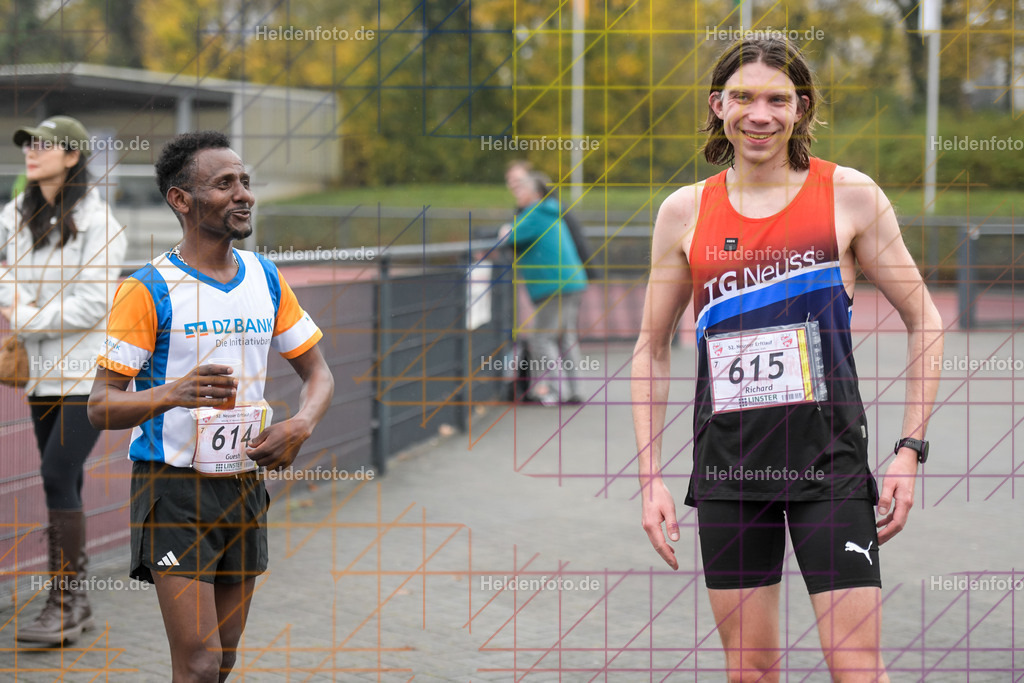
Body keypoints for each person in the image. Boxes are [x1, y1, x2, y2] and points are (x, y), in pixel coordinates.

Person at [631, 38, 944, 682]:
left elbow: (925, 320)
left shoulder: (849, 195)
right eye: (743, 97)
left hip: (828, 466)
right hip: (730, 472)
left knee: (855, 667)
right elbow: (650, 347)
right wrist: (649, 478)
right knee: (750, 672)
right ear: (718, 105)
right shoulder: (684, 211)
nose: (760, 114)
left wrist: (910, 449)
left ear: (801, 109)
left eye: (778, 99)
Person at [87, 131, 334, 682]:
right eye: (224, 184)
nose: (243, 193)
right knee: (196, 664)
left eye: (245, 181)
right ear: (182, 199)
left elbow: (318, 373)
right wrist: (173, 393)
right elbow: (100, 406)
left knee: (221, 661)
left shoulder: (265, 277)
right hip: (173, 488)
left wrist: (302, 423)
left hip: (244, 485)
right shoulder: (148, 288)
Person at [0, 115, 127, 645]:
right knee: (66, 479)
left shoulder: (103, 224)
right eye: (29, 144)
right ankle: (78, 605)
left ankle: (65, 600)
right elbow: (5, 277)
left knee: (55, 472)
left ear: (72, 157)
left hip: (88, 375)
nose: (32, 152)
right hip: (41, 374)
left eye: (45, 145)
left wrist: (25, 316)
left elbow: (95, 304)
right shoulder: (14, 213)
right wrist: (21, 303)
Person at [499, 170, 588, 405]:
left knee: (541, 338)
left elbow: (508, 237)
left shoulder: (535, 213)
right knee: (566, 337)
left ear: (535, 193)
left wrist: (505, 231)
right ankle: (574, 390)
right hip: (570, 282)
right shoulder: (549, 211)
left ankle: (556, 392)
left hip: (555, 285)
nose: (517, 194)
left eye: (522, 189)